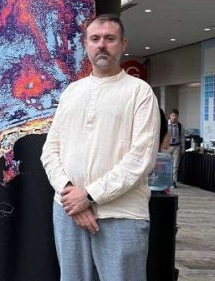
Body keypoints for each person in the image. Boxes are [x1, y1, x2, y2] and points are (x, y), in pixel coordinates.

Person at [41, 14, 160, 281]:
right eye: (95, 39)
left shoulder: (139, 92)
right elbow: (50, 150)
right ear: (86, 44)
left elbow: (141, 159)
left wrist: (90, 196)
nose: (102, 45)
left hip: (121, 214)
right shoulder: (72, 92)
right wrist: (71, 194)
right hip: (69, 212)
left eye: (110, 38)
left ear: (123, 44)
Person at [166, 109, 184, 187]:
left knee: (175, 165)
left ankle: (173, 181)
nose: (174, 117)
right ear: (170, 115)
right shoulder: (165, 124)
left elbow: (182, 137)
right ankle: (166, 180)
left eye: (176, 116)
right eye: (173, 115)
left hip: (176, 146)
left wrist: (183, 148)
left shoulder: (179, 126)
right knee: (167, 164)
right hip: (167, 147)